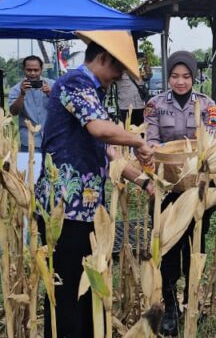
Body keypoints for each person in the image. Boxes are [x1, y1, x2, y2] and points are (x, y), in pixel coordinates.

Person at [35, 30, 155, 338]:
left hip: (87, 211)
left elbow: (108, 153)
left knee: (85, 285)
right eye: (117, 71)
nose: (116, 79)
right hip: (64, 211)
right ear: (102, 58)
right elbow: (100, 130)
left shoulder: (92, 91)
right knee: (67, 288)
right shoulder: (75, 83)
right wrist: (138, 141)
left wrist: (144, 182)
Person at [144, 50, 216, 336]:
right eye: (175, 76)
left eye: (186, 76)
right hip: (167, 189)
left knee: (194, 247)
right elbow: (151, 140)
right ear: (168, 77)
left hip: (199, 187)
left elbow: (209, 141)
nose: (180, 82)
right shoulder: (154, 105)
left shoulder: (208, 104)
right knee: (167, 250)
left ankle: (192, 303)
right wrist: (157, 153)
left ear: (193, 76)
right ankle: (171, 306)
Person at [8, 55, 54, 152]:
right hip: (29, 141)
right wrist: (22, 94)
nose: (32, 73)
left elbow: (64, 107)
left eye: (36, 70)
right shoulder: (16, 89)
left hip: (52, 138)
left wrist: (51, 94)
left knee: (52, 167)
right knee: (30, 166)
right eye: (29, 70)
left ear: (41, 70)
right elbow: (13, 112)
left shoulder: (52, 85)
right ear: (23, 70)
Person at [115, 52, 151, 125]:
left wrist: (146, 63)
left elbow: (148, 76)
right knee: (127, 131)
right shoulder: (119, 71)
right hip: (125, 107)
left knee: (140, 131)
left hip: (139, 106)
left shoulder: (139, 71)